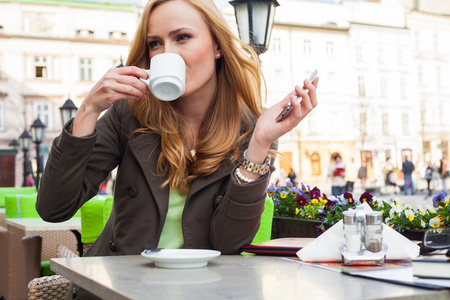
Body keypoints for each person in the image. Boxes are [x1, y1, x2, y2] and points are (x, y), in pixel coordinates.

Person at [36, 0, 318, 298]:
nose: (167, 54)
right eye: (155, 43)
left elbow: (227, 244)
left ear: (218, 46)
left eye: (182, 37)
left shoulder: (253, 129)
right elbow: (54, 209)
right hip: (116, 288)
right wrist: (89, 110)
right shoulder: (130, 114)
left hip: (201, 291)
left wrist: (258, 144)